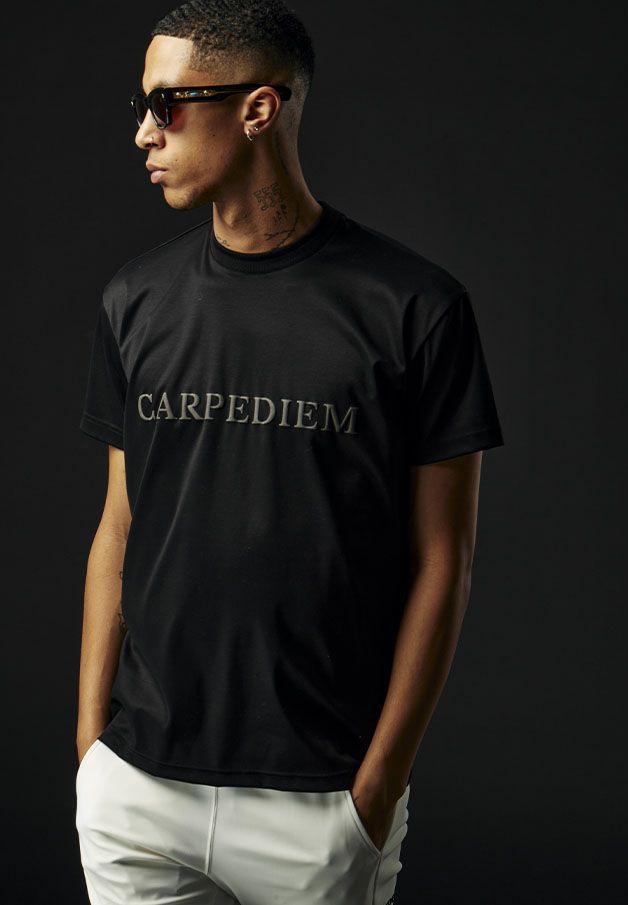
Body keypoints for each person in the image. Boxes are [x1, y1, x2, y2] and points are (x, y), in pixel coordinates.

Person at [75, 2, 505, 903]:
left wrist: (375, 789)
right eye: (141, 106)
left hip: (319, 800)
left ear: (258, 109)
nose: (145, 132)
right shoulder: (134, 299)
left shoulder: (414, 308)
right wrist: (91, 756)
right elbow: (119, 524)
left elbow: (445, 559)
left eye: (167, 104)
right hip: (138, 787)